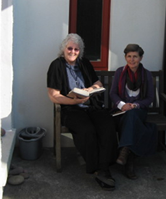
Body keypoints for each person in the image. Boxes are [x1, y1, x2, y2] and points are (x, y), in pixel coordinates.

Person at [47, 33, 118, 191]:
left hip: (91, 105)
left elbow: (97, 82)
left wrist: (89, 89)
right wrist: (74, 100)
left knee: (107, 125)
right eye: (69, 48)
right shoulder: (56, 65)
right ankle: (99, 169)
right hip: (70, 109)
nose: (73, 51)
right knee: (87, 130)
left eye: (76, 49)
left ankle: (104, 165)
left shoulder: (85, 63)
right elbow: (54, 95)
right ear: (63, 49)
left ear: (80, 51)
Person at [110, 44, 157, 180]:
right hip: (121, 111)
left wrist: (135, 105)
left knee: (132, 116)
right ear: (125, 57)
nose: (132, 60)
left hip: (139, 111)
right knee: (129, 118)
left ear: (140, 58)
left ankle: (124, 150)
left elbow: (149, 98)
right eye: (129, 56)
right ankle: (129, 159)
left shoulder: (146, 74)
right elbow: (113, 93)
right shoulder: (120, 72)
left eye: (135, 57)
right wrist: (122, 105)